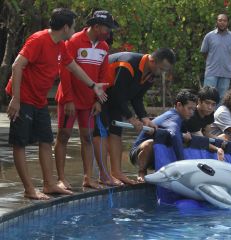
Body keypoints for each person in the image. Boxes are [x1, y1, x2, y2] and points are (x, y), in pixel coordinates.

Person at [5, 8, 107, 200]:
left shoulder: (60, 45)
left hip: (39, 100)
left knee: (46, 141)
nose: (75, 29)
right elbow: (17, 65)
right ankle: (29, 189)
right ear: (66, 27)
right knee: (20, 143)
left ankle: (49, 184)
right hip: (24, 98)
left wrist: (93, 86)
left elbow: (74, 68)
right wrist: (15, 99)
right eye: (74, 26)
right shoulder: (38, 40)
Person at [54, 10, 119, 190]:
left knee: (87, 137)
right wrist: (68, 99)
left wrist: (99, 100)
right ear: (96, 26)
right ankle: (60, 178)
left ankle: (88, 177)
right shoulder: (74, 40)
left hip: (89, 101)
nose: (109, 32)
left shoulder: (104, 47)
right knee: (64, 136)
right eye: (107, 28)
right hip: (70, 99)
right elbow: (65, 70)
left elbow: (103, 75)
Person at [94, 48, 176, 184]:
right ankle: (104, 175)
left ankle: (117, 173)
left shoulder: (151, 74)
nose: (162, 73)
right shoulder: (127, 64)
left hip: (114, 98)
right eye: (162, 69)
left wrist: (144, 118)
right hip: (100, 95)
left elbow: (137, 98)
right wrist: (131, 118)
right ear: (152, 61)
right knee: (101, 134)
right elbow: (117, 94)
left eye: (165, 71)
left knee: (115, 133)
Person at [129, 90, 197, 182]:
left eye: (193, 109)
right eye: (189, 108)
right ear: (179, 105)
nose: (192, 112)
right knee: (150, 143)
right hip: (137, 154)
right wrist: (182, 166)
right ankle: (142, 172)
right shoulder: (173, 117)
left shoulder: (181, 118)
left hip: (155, 154)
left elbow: (173, 134)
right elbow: (174, 135)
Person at [200, 13, 231, 102]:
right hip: (211, 71)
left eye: (224, 20)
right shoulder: (209, 36)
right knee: (207, 95)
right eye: (220, 20)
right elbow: (204, 52)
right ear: (216, 22)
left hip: (226, 72)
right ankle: (207, 116)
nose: (222, 22)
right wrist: (211, 62)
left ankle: (217, 116)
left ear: (228, 22)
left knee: (222, 98)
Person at [181, 86, 224, 160]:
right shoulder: (192, 114)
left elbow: (206, 133)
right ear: (199, 101)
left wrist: (222, 140)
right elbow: (202, 140)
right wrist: (217, 149)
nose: (210, 107)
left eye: (213, 104)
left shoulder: (209, 114)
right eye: (207, 103)